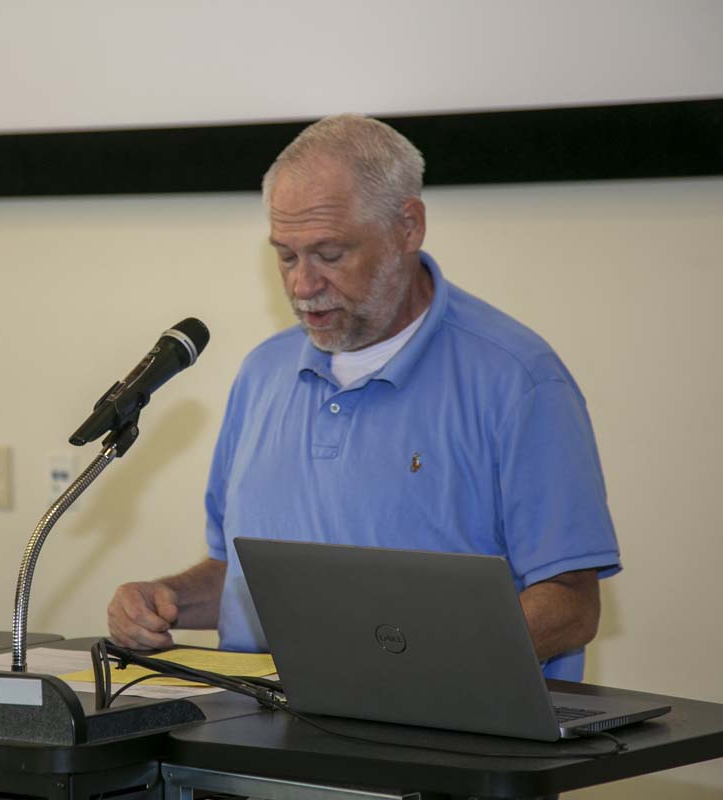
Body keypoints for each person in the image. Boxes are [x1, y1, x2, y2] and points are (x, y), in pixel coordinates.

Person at [107, 115, 620, 680]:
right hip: (258, 727)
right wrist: (165, 601)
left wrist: (414, 667)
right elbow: (240, 579)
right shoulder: (263, 373)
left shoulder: (518, 380)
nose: (302, 285)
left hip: (441, 728)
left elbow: (571, 604)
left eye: (329, 254)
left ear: (408, 227)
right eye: (286, 256)